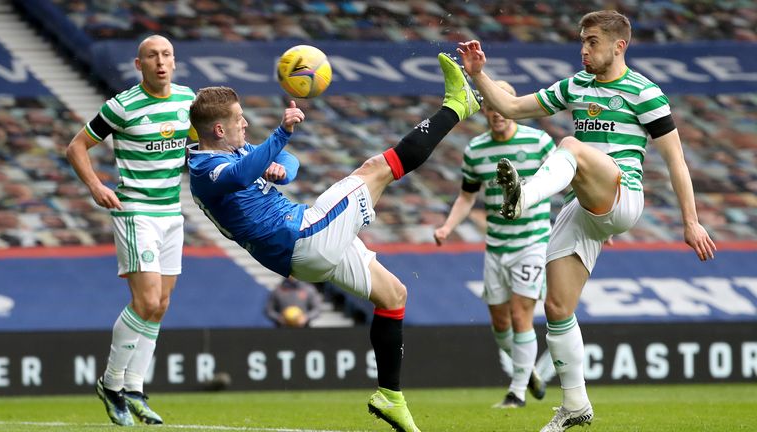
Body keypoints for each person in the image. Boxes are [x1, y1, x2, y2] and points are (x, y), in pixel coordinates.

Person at [187, 53, 481, 432]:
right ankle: (457, 105)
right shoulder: (205, 170)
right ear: (219, 131)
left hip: (303, 246)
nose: (245, 122)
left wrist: (278, 164)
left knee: (393, 294)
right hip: (302, 237)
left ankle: (390, 397)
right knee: (376, 169)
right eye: (238, 119)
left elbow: (289, 165)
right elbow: (243, 174)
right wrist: (280, 135)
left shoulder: (230, 149)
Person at [457, 10, 716, 432]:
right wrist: (479, 76)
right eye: (582, 41)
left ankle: (524, 196)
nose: (584, 49)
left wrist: (692, 221)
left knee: (571, 145)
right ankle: (575, 405)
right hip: (584, 206)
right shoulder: (576, 85)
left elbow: (676, 160)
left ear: (619, 46)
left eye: (592, 41)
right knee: (557, 307)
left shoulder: (644, 93)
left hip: (623, 194)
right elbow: (511, 106)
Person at [66, 35, 195, 427]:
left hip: (172, 213)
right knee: (147, 299)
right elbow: (76, 147)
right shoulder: (122, 106)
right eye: (152, 56)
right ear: (139, 65)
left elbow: (205, 142)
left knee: (160, 306)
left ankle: (135, 388)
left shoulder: (188, 101)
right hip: (135, 210)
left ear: (175, 62)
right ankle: (110, 383)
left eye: (167, 55)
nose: (160, 61)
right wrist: (96, 185)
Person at [433, 80, 554, 409]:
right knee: (500, 324)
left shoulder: (540, 142)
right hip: (496, 246)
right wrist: (447, 226)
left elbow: (568, 182)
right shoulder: (475, 151)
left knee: (519, 315)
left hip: (532, 241)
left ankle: (516, 392)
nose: (495, 111)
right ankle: (527, 372)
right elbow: (467, 196)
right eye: (488, 105)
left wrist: (591, 217)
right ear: (484, 109)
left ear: (512, 103)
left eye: (501, 103)